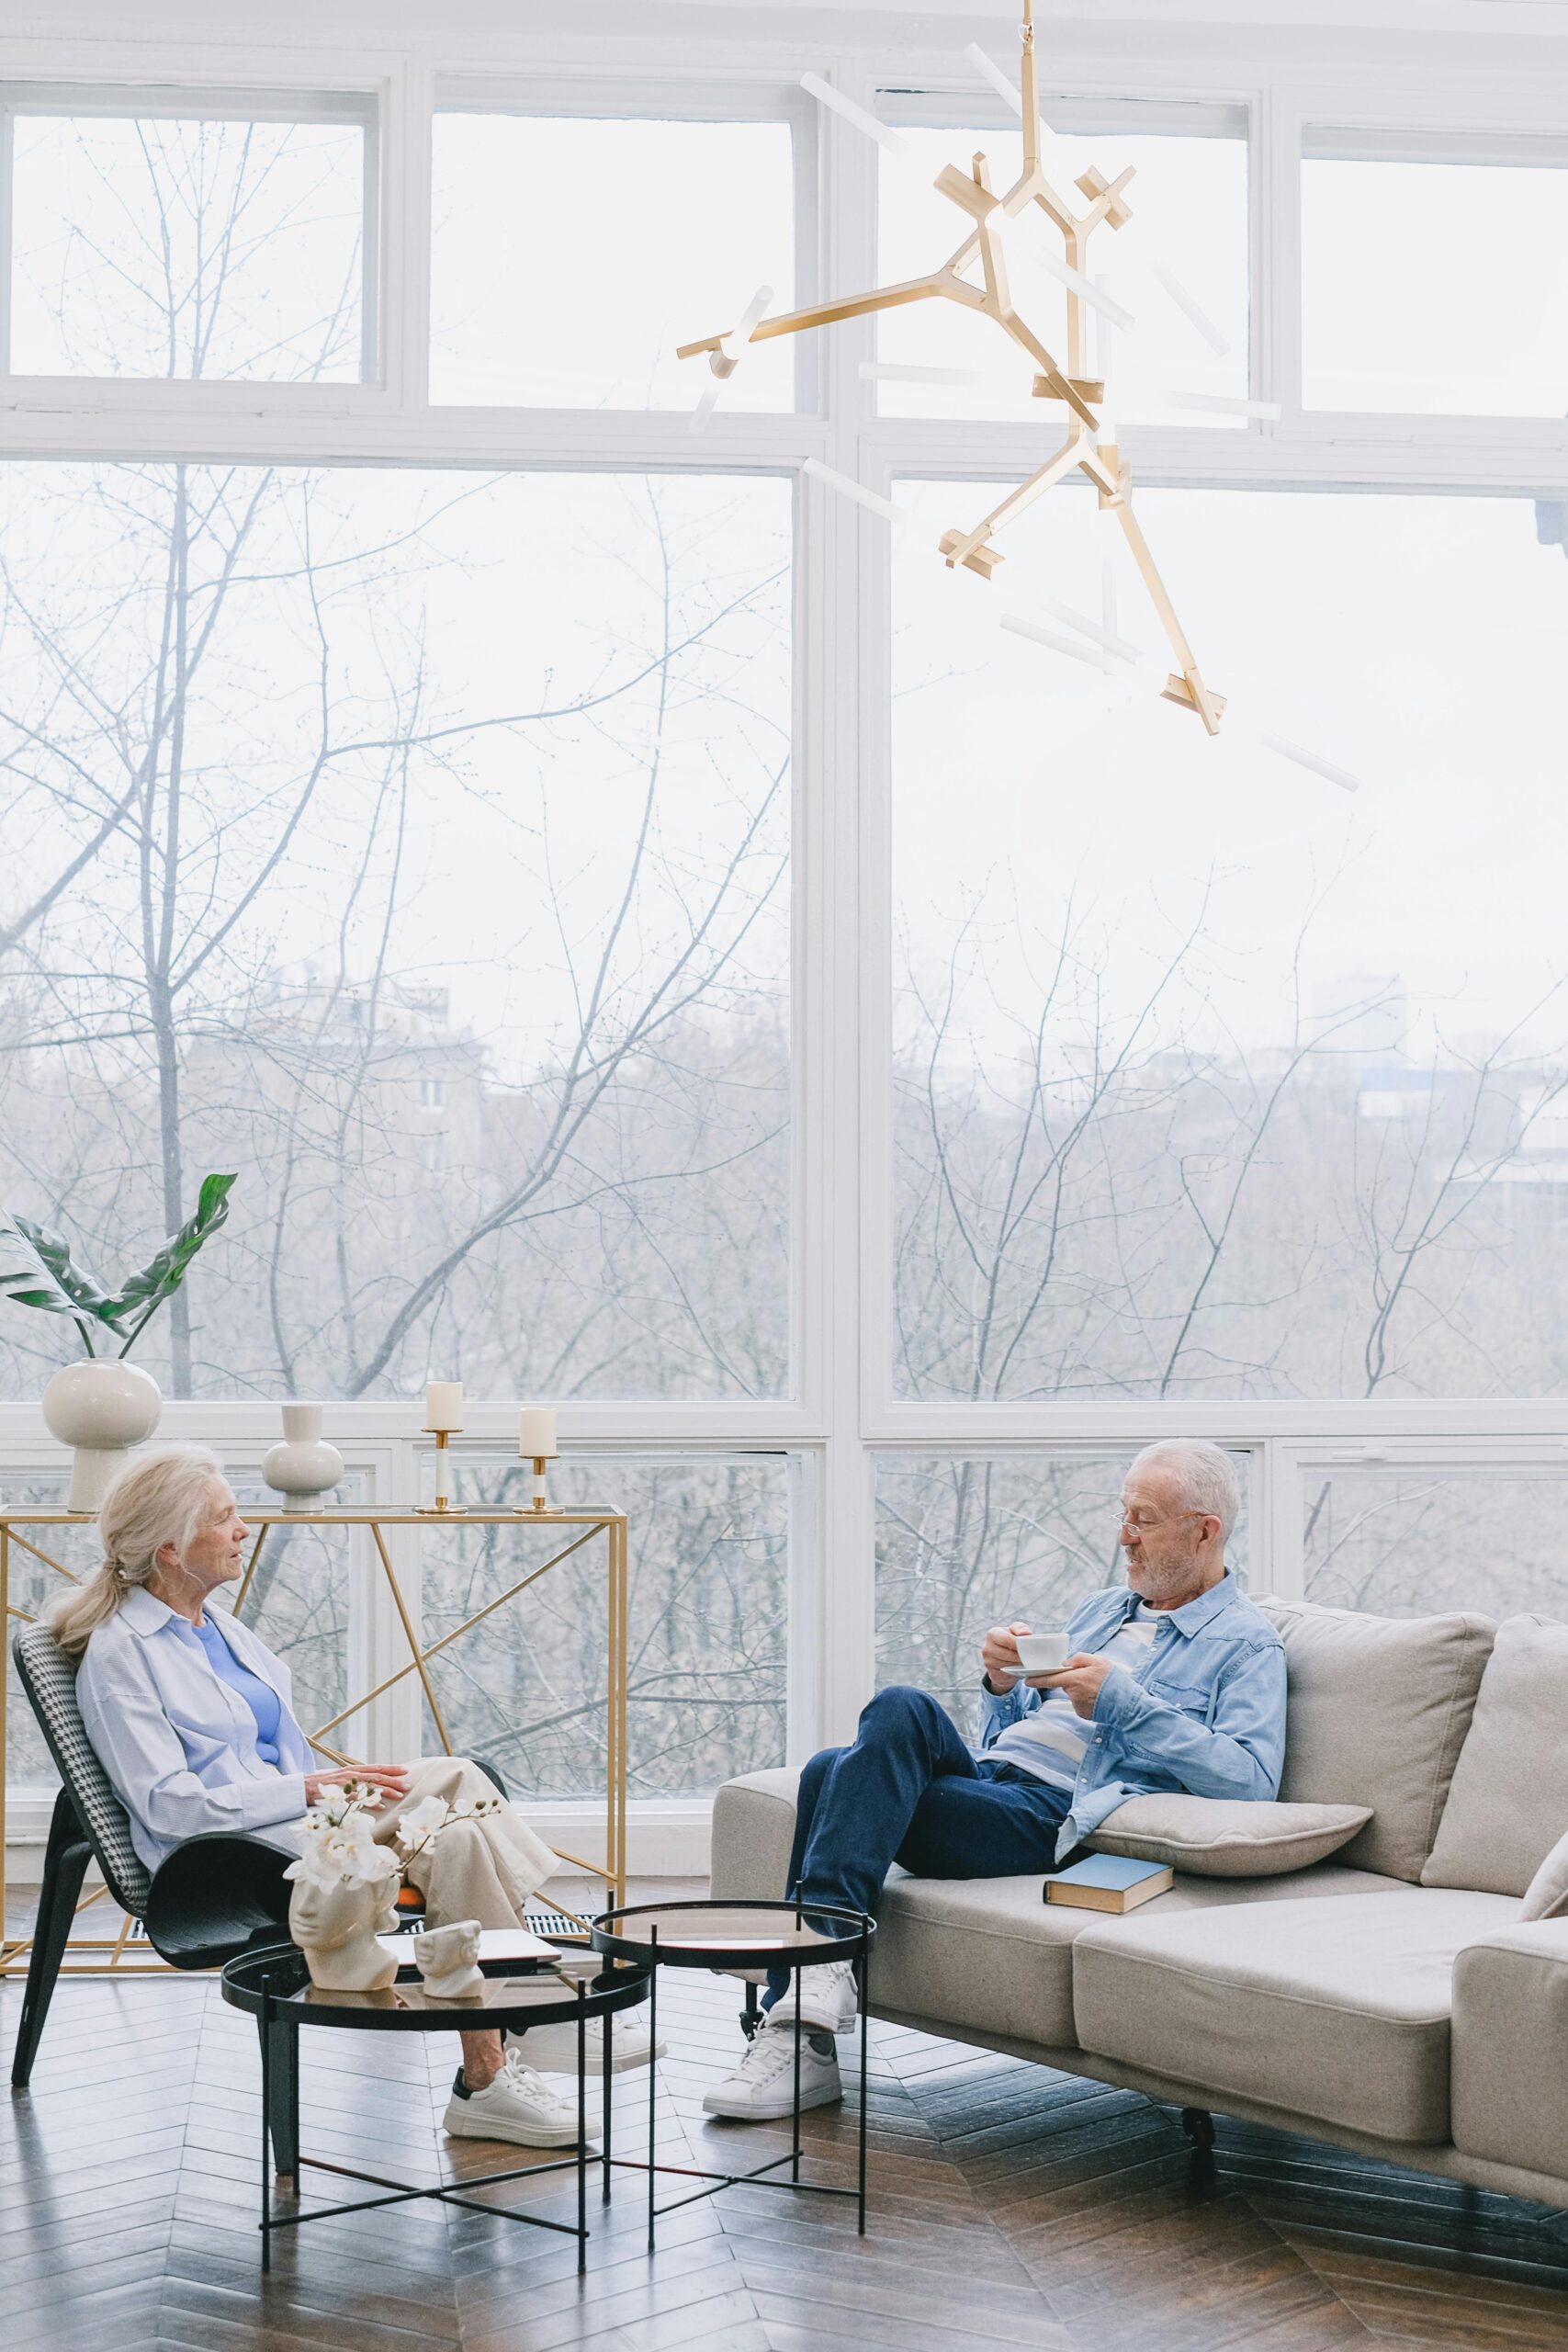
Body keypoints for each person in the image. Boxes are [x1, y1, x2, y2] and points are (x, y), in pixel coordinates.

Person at [54, 1444, 660, 2149]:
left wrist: (334, 1791)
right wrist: (319, 1788)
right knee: (461, 1779)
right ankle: (532, 2006)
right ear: (169, 1548)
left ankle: (487, 2079)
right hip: (227, 1862)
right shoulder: (122, 1655)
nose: (243, 1530)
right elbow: (170, 1807)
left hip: (302, 1830)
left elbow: (270, 1752)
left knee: (460, 1833)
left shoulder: (216, 1627)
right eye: (225, 1519)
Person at [704, 1439, 1287, 2120]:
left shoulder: (1247, 1645)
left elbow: (1250, 1782)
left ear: (1203, 1530)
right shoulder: (1103, 1610)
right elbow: (1017, 1732)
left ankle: (803, 2015)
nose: (1123, 1535)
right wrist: (1003, 1683)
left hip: (1053, 1817)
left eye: (1144, 1518)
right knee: (885, 1717)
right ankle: (815, 1994)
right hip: (991, 1779)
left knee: (833, 1769)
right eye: (1121, 1513)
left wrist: (1126, 1704)